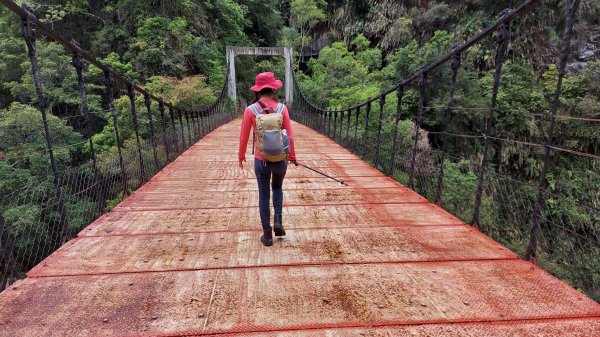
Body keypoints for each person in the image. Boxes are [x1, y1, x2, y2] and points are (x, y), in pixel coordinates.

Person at [238, 72, 297, 247]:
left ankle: (267, 236)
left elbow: (243, 136)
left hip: (261, 159)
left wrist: (241, 156)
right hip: (280, 159)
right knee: (277, 187)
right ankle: (278, 221)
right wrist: (292, 156)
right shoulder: (282, 108)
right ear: (273, 89)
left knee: (264, 195)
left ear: (258, 91)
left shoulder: (251, 110)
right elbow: (290, 136)